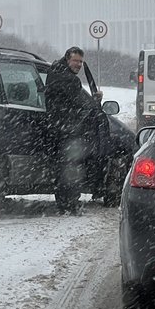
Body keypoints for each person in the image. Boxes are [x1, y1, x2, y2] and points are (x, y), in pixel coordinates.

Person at [45, 46, 107, 214]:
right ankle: (70, 204)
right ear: (67, 59)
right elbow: (79, 105)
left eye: (81, 61)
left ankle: (63, 204)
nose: (79, 65)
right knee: (72, 168)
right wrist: (95, 101)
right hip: (68, 131)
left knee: (61, 169)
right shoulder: (70, 80)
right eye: (76, 61)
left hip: (54, 128)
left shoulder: (53, 71)